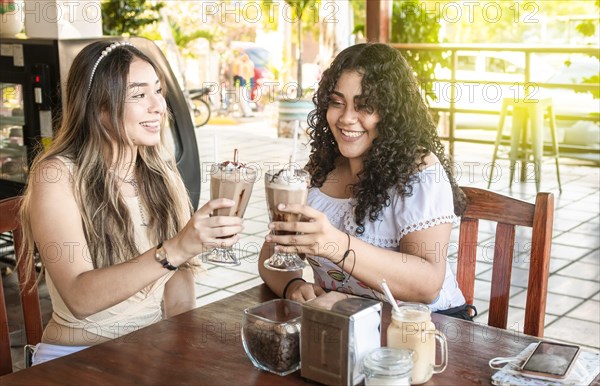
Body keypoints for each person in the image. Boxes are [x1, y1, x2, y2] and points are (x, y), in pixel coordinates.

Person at [19, 40, 243, 364]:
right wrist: (176, 248)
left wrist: (185, 349)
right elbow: (79, 297)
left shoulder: (159, 170)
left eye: (158, 91)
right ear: (100, 108)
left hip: (145, 351)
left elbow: (179, 281)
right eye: (139, 95)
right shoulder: (56, 176)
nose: (158, 106)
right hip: (75, 357)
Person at [258, 43, 474, 320]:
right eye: (337, 102)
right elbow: (272, 257)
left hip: (426, 329)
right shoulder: (319, 169)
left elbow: (427, 284)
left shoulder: (420, 171)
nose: (347, 118)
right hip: (348, 325)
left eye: (365, 106)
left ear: (391, 112)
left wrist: (335, 244)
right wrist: (293, 286)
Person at [231, 51, 254, 117]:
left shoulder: (246, 63)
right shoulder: (238, 62)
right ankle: (244, 112)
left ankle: (246, 112)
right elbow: (238, 73)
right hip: (239, 79)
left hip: (242, 80)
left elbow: (249, 73)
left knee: (243, 97)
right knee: (240, 97)